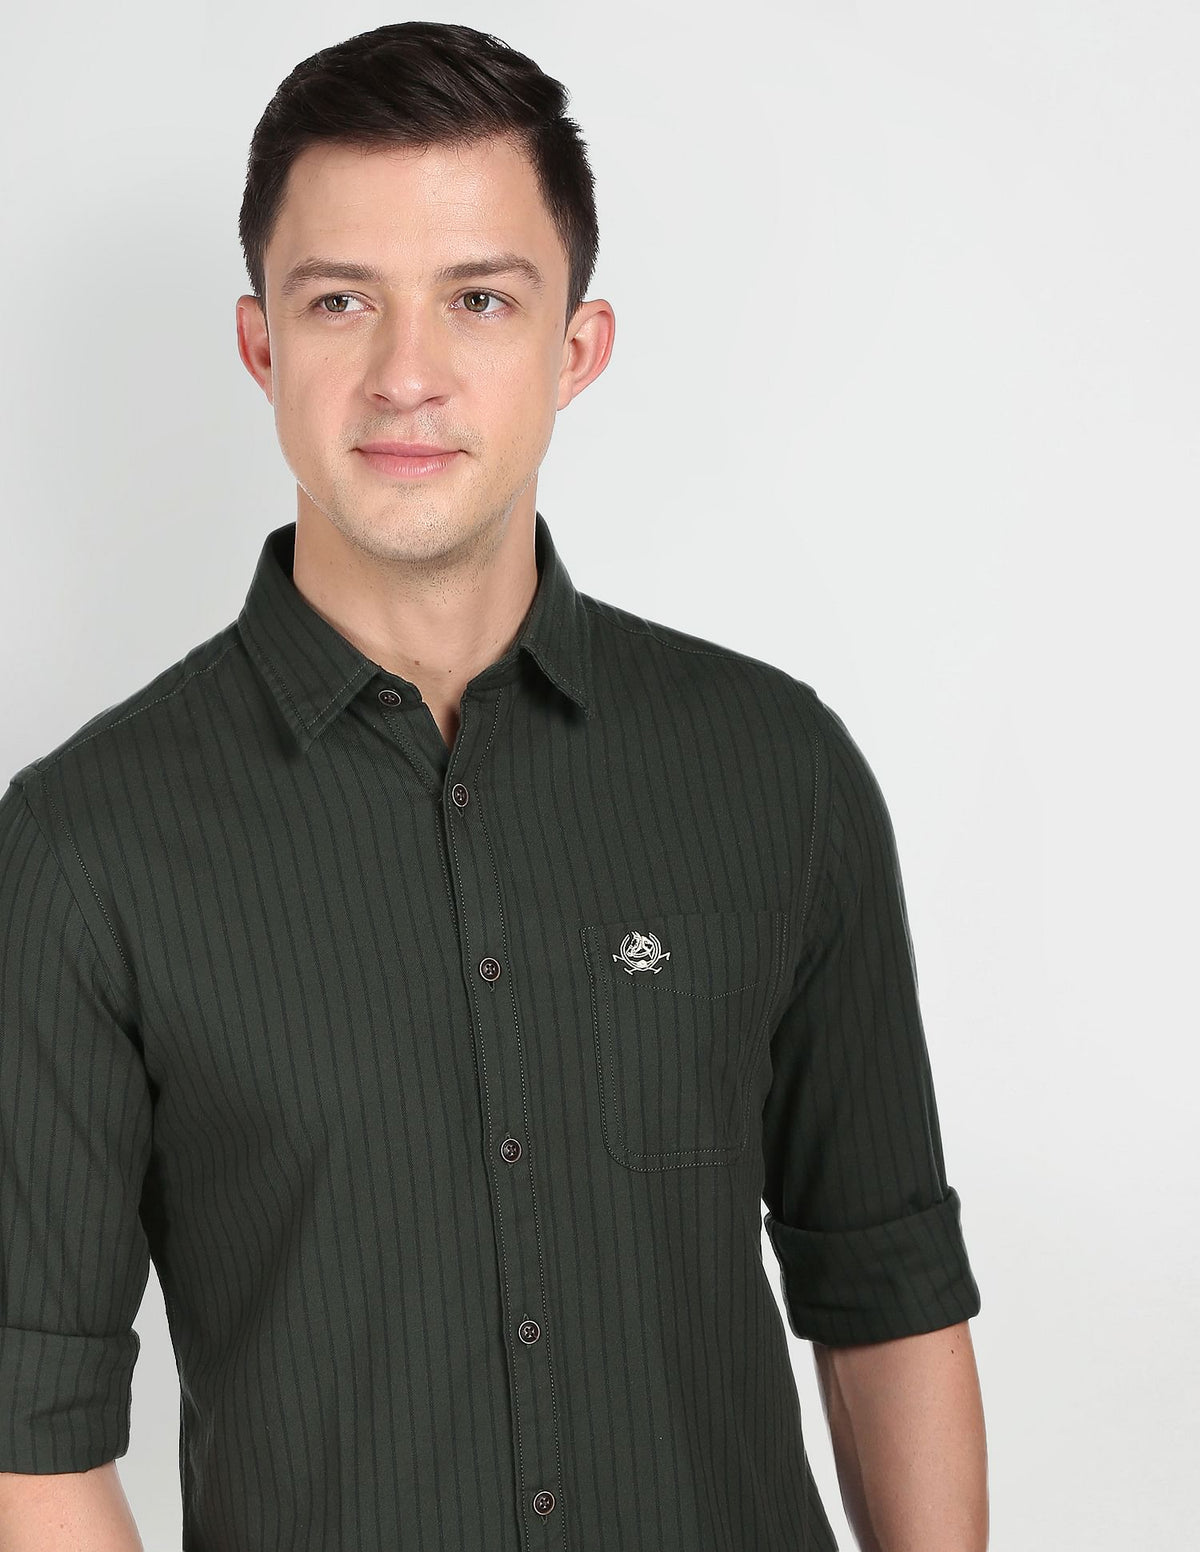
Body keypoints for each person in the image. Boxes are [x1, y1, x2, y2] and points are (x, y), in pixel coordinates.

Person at [0, 20, 987, 1552]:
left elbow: (888, 1293)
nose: (407, 375)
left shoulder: (777, 772)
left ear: (573, 348)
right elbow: (31, 1435)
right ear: (263, 347)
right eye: (342, 301)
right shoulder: (82, 849)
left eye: (478, 299)